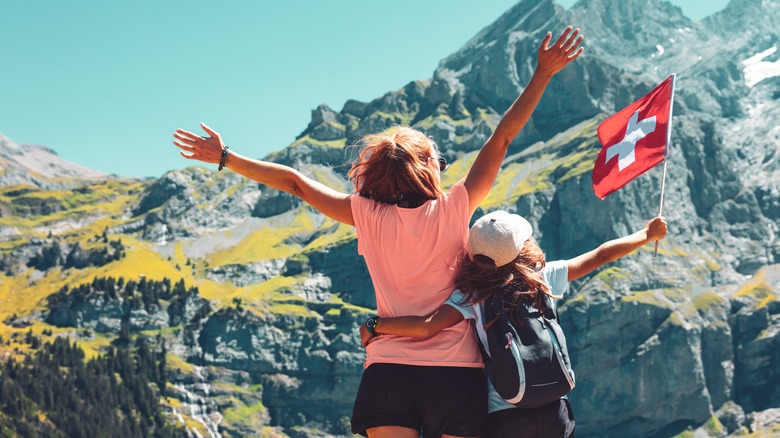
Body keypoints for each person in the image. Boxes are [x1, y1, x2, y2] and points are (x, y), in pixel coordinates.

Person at [173, 26, 584, 438]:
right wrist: (542, 74)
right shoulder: (456, 206)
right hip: (454, 373)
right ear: (428, 166)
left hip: (387, 370)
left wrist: (226, 156)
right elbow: (503, 137)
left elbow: (296, 182)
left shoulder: (365, 214)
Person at [359, 211, 668, 438]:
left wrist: (376, 325)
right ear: (523, 248)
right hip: (554, 408)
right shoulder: (541, 278)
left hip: (505, 410)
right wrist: (646, 234)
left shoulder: (472, 295)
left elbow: (426, 326)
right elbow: (601, 254)